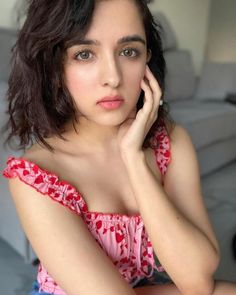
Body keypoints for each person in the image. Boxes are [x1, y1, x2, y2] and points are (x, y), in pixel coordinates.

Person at [2, 0, 236, 294]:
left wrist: (134, 160)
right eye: (84, 54)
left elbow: (197, 280)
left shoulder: (171, 142)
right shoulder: (38, 177)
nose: (112, 77)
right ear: (54, 65)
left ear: (147, 59)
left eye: (129, 52)